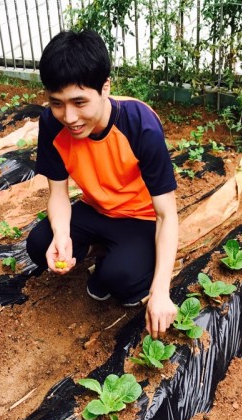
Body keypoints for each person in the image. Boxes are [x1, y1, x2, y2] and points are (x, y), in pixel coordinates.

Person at [26, 30, 178, 338]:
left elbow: (167, 215)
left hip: (140, 217)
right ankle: (100, 251)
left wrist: (161, 291)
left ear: (105, 87)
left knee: (123, 281)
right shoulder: (51, 123)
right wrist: (62, 234)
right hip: (94, 208)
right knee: (39, 244)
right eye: (57, 103)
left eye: (80, 102)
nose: (69, 117)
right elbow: (58, 193)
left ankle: (115, 263)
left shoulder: (140, 126)